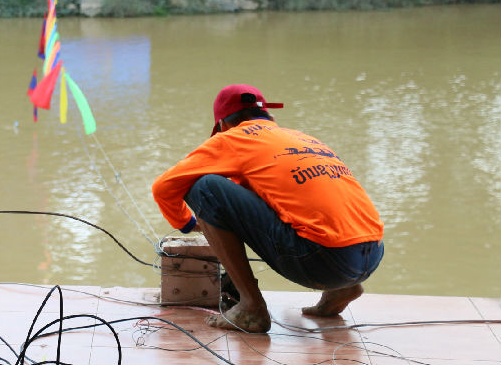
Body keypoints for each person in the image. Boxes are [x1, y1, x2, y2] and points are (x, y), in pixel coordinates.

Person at [151, 84, 384, 333]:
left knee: (204, 187)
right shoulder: (301, 139)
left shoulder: (233, 138)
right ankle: (345, 288)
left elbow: (163, 187)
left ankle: (250, 306)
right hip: (371, 255)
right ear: (269, 116)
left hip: (322, 262)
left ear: (223, 125)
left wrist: (187, 223)